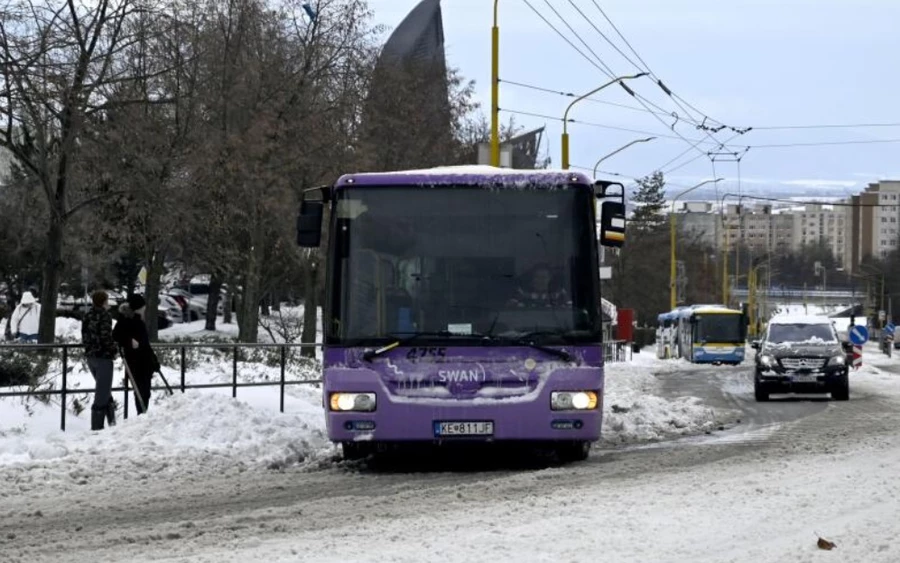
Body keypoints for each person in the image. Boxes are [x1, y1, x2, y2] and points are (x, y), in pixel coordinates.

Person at [113, 294, 160, 415]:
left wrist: (153, 359)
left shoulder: (139, 319)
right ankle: (141, 413)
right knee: (141, 389)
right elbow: (116, 335)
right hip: (135, 359)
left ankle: (143, 413)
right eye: (142, 307)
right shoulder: (126, 319)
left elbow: (145, 343)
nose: (144, 309)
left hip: (145, 359)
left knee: (145, 391)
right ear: (137, 307)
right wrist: (129, 341)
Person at [82, 290, 118, 430]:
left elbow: (84, 334)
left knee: (104, 388)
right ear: (104, 302)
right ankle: (97, 428)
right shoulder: (104, 316)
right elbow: (106, 337)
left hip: (91, 356)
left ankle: (112, 422)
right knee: (102, 392)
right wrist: (113, 351)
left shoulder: (88, 315)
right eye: (107, 300)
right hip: (103, 356)